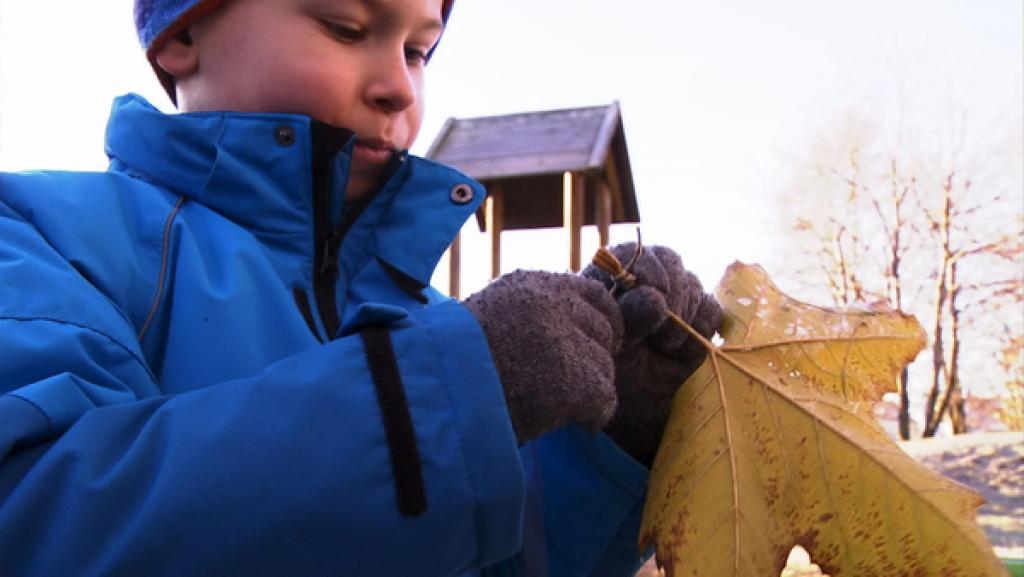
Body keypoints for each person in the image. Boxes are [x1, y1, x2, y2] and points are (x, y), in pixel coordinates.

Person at [0, 0, 721, 575]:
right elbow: (35, 519)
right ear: (182, 35)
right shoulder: (43, 234)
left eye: (418, 49)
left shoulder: (433, 323)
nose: (400, 86)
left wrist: (613, 447)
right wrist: (436, 404)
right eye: (345, 27)